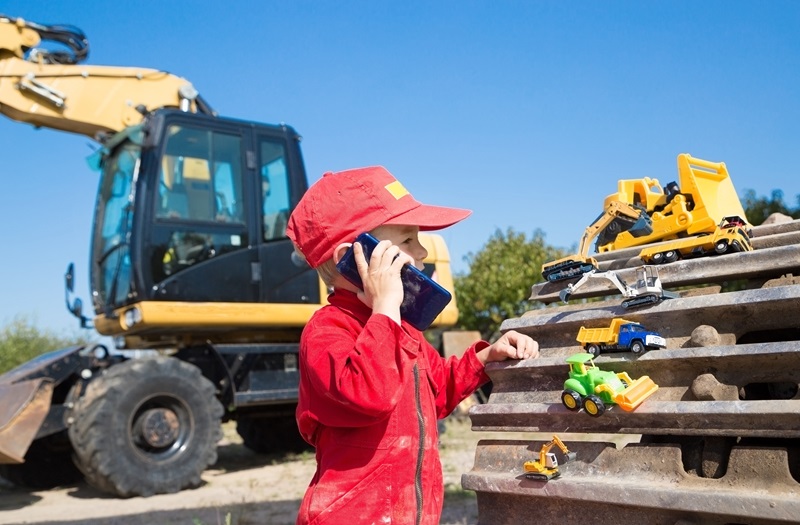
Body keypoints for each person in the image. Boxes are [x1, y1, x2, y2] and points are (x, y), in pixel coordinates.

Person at [285, 165, 539, 525]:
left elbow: (433, 392)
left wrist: (485, 357)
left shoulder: (403, 331)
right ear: (352, 258)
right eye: (407, 241)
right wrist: (386, 308)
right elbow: (368, 395)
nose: (421, 252)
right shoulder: (327, 330)